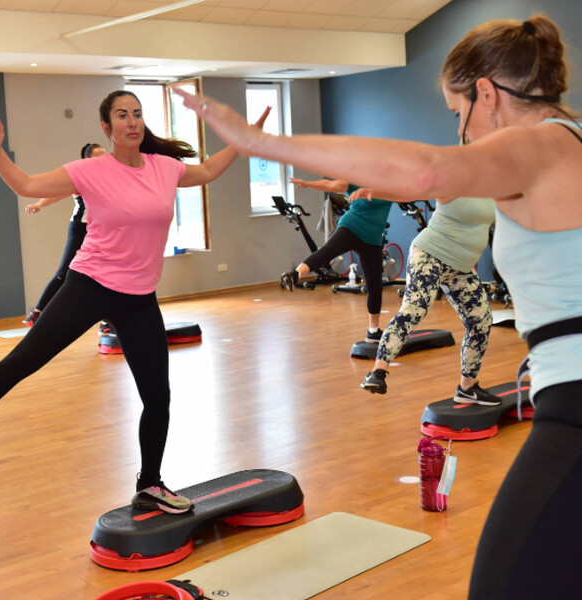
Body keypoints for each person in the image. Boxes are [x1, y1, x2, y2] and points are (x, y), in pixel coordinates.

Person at [175, 15, 582, 597]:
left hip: (574, 400)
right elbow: (419, 182)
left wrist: (257, 142)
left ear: (486, 95)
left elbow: (426, 169)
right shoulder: (572, 139)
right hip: (558, 382)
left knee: (503, 580)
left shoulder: (535, 143)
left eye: (455, 112)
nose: (459, 127)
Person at [0, 90, 269, 514]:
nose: (132, 121)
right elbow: (26, 185)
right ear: (106, 127)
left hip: (139, 298)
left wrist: (244, 143)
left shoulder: (164, 168)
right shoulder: (90, 170)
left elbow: (206, 171)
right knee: (21, 363)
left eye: (137, 114)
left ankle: (149, 483)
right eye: (122, 115)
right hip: (90, 284)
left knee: (158, 397)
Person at [355, 188, 499, 405]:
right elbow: (412, 191)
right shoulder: (452, 184)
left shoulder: (494, 190)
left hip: (461, 268)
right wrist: (376, 191)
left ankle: (467, 388)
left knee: (481, 321)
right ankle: (377, 373)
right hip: (430, 255)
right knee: (416, 308)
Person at [282, 177, 393, 342]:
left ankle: (373, 331)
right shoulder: (357, 179)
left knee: (375, 285)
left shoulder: (391, 184)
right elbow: (331, 185)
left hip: (373, 240)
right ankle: (294, 275)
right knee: (326, 252)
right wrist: (308, 184)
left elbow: (412, 191)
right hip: (351, 227)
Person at [22, 143, 112, 336]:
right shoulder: (81, 178)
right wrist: (39, 204)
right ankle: (37, 313)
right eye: (97, 157)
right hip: (80, 229)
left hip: (100, 231)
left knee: (107, 275)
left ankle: (107, 321)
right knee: (64, 273)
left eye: (104, 156)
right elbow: (56, 194)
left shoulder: (108, 178)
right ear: (86, 160)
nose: (102, 160)